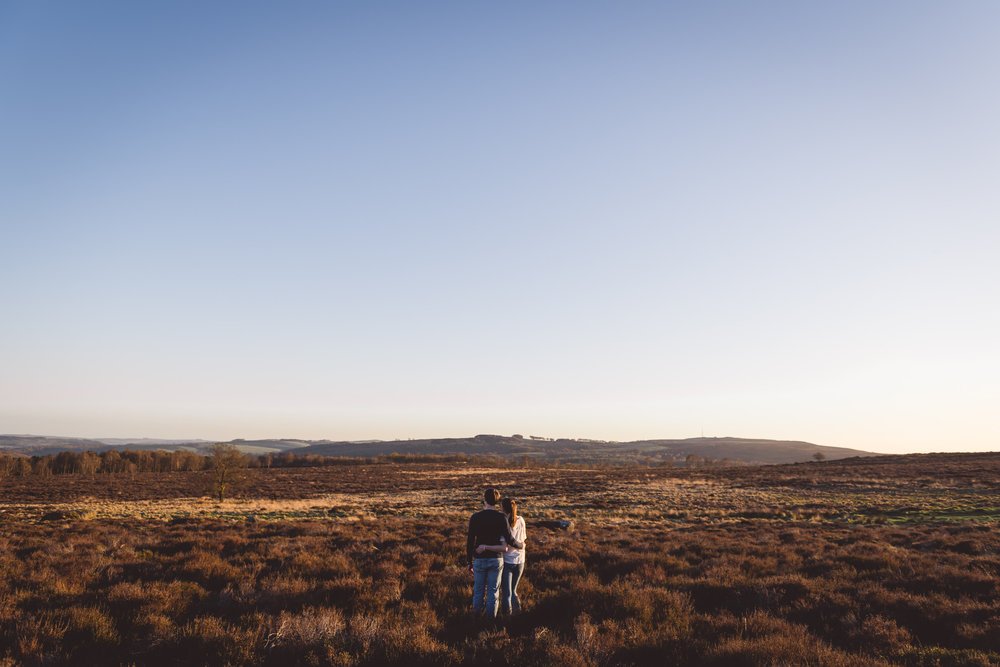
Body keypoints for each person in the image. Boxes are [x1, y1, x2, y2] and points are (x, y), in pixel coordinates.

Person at [467, 488, 524, 619]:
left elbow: (470, 541)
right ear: (497, 501)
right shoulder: (501, 518)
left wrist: (469, 561)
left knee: (478, 591)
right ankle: (490, 621)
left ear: (484, 500)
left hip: (479, 559)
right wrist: (521, 545)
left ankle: (475, 620)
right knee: (493, 592)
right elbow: (510, 540)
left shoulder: (475, 517)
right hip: (496, 560)